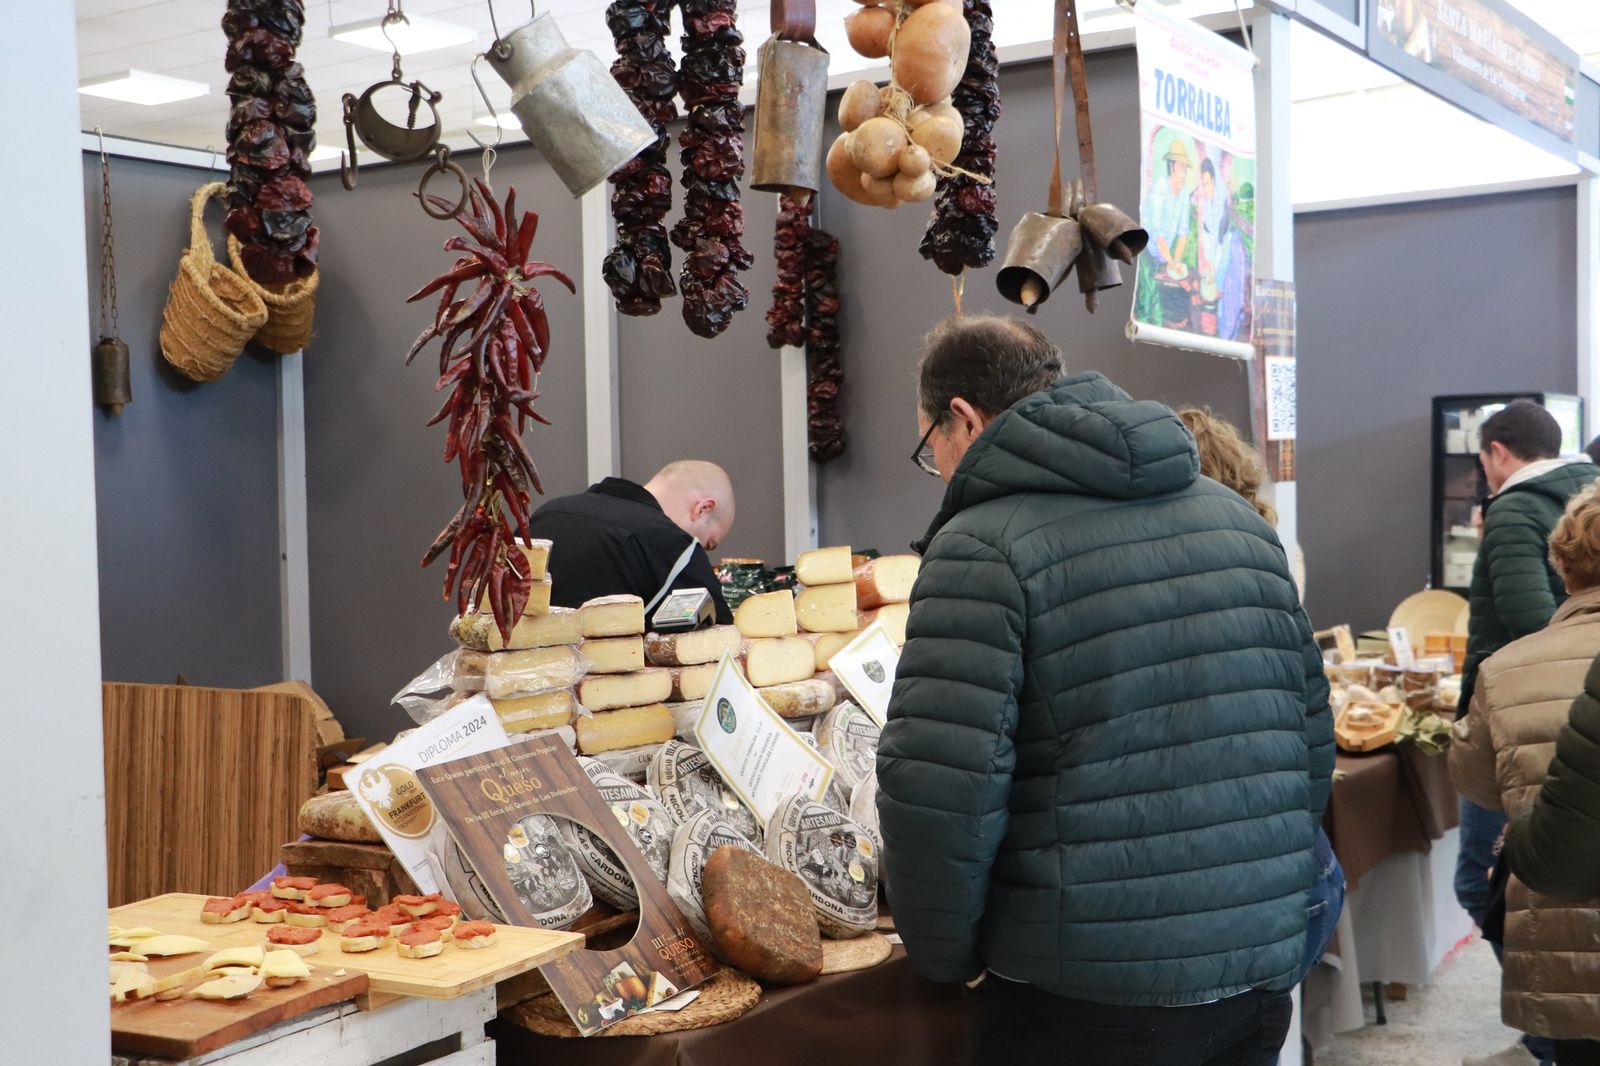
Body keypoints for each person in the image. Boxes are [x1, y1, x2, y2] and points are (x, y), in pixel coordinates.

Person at [879, 315, 1332, 1066]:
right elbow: (1309, 738)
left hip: (1084, 989)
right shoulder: (1239, 523)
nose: (942, 471)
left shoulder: (981, 546)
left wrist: (946, 955)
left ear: (963, 417)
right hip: (1255, 969)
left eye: (933, 451)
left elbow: (940, 789)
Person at [1178, 408, 1345, 1019]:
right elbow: (1312, 715)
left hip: (1241, 873)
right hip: (1294, 859)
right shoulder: (1266, 548)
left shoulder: (1206, 561)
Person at [1456, 401, 1596, 1066]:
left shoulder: (1512, 509)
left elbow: (1520, 616)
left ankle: (1549, 1035)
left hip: (1526, 723)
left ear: (1497, 453)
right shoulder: (1580, 487)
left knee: (1502, 885)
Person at [527, 461, 735, 623]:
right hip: (604, 676)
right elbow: (722, 645)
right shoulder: (678, 548)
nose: (702, 550)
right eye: (708, 544)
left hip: (514, 672)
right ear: (703, 508)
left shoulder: (546, 513)